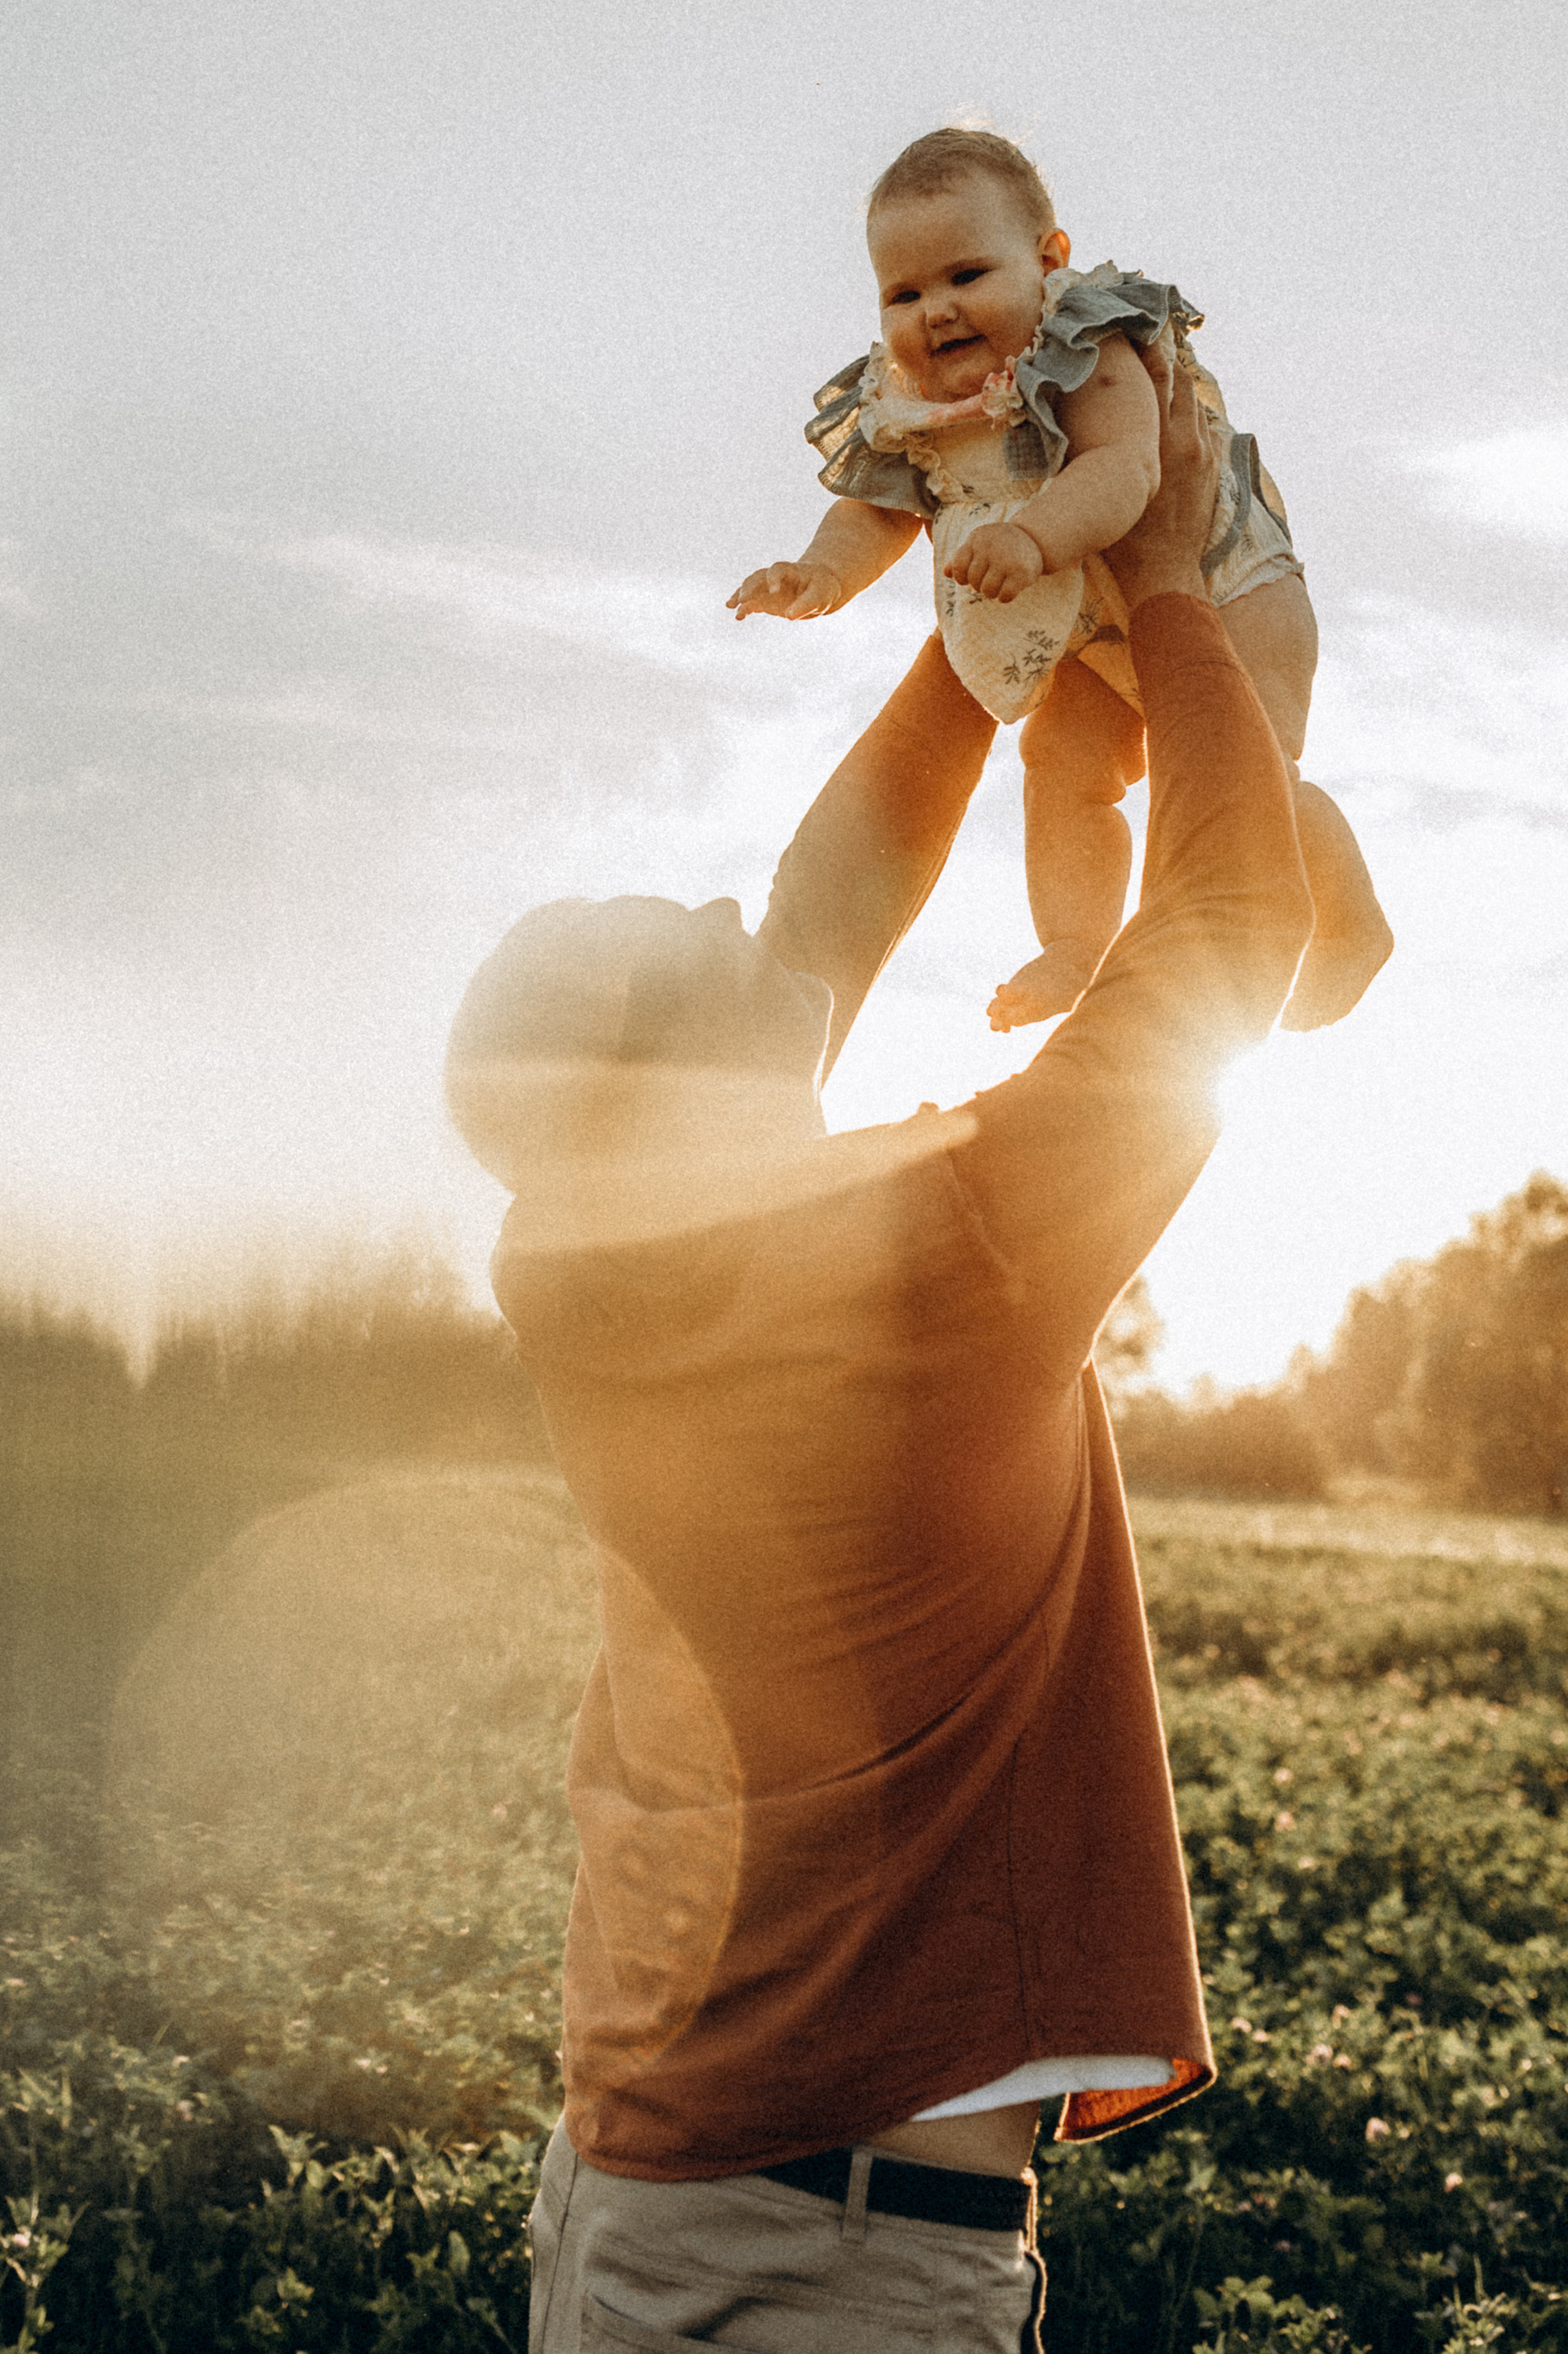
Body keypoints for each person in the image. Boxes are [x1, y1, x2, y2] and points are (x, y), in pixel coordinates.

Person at [444, 358, 1315, 2352]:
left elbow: (826, 898)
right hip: (835, 2264)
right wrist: (1163, 575)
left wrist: (991, 607)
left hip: (640, 2192)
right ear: (680, 1090)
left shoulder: (576, 1269)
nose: (715, 895)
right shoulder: (944, 1262)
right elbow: (1220, 936)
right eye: (672, 937)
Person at [729, 123, 1391, 1035]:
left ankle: (1349, 924)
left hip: (1222, 579)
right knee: (1060, 768)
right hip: (1085, 617)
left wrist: (1033, 540)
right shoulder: (911, 402)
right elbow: (877, 510)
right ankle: (1077, 945)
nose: (936, 311)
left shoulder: (1081, 339)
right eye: (903, 292)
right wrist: (819, 575)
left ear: (1048, 260)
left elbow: (1127, 469)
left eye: (967, 276)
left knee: (1243, 773)